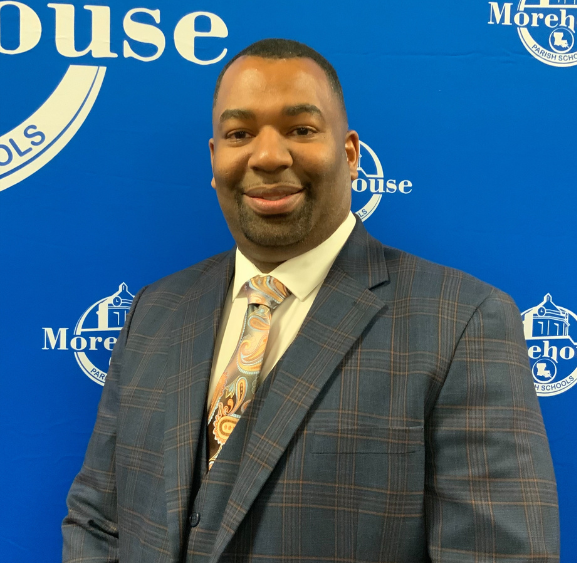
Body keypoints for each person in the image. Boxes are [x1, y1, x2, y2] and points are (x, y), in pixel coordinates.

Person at [62, 38, 559, 562]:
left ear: (349, 154)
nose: (269, 155)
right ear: (215, 159)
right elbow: (99, 518)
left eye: (300, 130)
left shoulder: (463, 321)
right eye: (239, 133)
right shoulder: (155, 311)